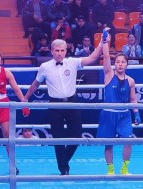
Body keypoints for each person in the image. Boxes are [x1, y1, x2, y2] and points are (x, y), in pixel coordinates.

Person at [23, 38, 104, 175]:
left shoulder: (72, 62)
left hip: (72, 102)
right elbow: (36, 83)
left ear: (66, 51)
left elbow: (92, 58)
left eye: (62, 50)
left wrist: (102, 42)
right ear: (52, 51)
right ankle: (64, 169)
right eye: (57, 50)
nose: (59, 53)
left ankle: (63, 161)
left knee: (77, 136)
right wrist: (25, 98)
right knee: (58, 138)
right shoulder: (45, 67)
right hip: (55, 105)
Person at [97, 30, 141, 175]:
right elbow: (106, 57)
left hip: (124, 115)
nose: (120, 64)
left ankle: (124, 168)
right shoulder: (109, 75)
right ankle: (110, 169)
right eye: (118, 62)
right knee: (108, 144)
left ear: (127, 64)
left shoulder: (131, 81)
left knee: (128, 141)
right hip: (109, 114)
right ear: (115, 64)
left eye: (123, 62)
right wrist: (105, 42)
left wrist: (136, 113)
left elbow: (133, 99)